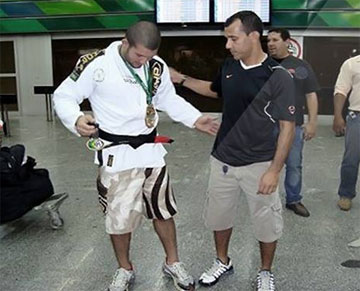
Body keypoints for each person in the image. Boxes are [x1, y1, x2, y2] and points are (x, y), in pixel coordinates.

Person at [53, 21, 219, 291]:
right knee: (119, 219)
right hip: (116, 155)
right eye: (139, 55)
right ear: (125, 42)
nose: (144, 61)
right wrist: (76, 119)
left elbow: (168, 99)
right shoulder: (96, 63)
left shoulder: (156, 67)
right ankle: (124, 268)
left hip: (151, 153)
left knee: (163, 211)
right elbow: (64, 95)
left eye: (150, 56)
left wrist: (195, 119)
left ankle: (172, 262)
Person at [170, 11, 295, 291]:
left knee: (266, 223)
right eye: (227, 38)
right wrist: (180, 79)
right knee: (219, 216)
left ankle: (265, 271)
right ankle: (222, 261)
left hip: (260, 164)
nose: (228, 45)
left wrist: (274, 170)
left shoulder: (278, 76)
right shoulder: (229, 66)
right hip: (223, 161)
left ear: (253, 37)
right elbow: (215, 90)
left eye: (233, 38)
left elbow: (288, 127)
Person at [267, 28, 320, 217]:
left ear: (287, 41)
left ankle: (293, 199)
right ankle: (264, 198)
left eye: (275, 40)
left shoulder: (300, 65)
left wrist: (312, 122)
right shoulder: (263, 64)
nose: (270, 44)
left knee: (294, 164)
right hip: (265, 125)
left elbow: (311, 94)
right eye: (268, 40)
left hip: (293, 125)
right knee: (263, 163)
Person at [332, 54, 360, 211]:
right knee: (351, 159)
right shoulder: (351, 63)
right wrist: (337, 115)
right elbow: (341, 90)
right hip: (357, 117)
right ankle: (346, 194)